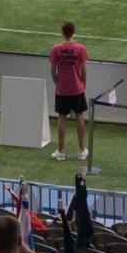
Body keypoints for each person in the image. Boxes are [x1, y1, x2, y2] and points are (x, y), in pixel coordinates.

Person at [48, 22, 89, 163]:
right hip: (77, 88)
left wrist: (58, 83)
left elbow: (53, 71)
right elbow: (83, 69)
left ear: (62, 32)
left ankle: (60, 151)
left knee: (61, 117)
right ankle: (82, 150)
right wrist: (83, 84)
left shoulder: (55, 49)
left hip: (62, 90)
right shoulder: (80, 48)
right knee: (79, 116)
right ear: (73, 32)